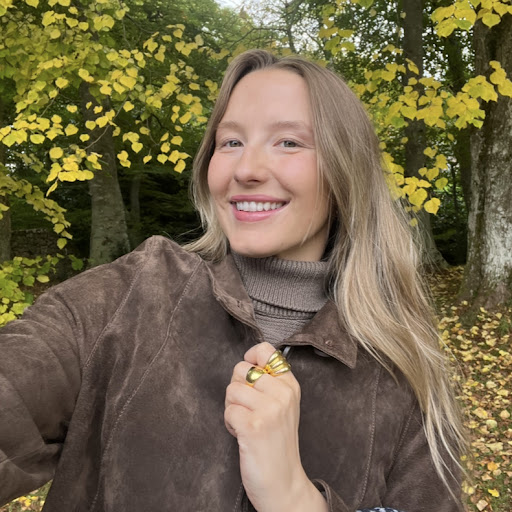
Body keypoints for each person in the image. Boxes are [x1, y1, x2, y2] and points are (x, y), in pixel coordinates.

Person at [0, 50, 466, 512]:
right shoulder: (128, 297)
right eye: (230, 142)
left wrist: (295, 500)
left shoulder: (403, 371)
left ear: (346, 169)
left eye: (288, 142)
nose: (246, 170)